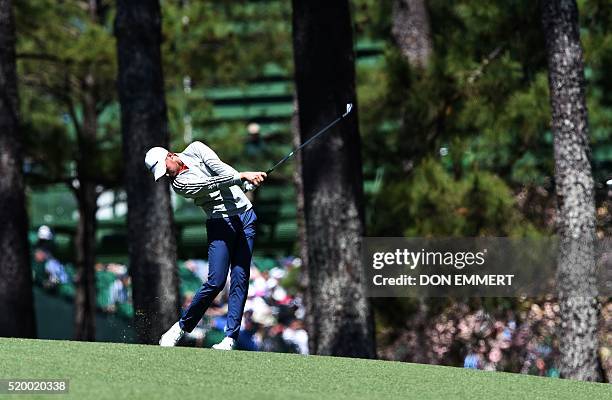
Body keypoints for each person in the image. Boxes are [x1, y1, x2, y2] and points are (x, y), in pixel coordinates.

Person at [145, 141, 267, 350]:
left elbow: (220, 168)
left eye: (165, 169)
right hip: (220, 222)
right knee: (216, 281)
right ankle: (181, 327)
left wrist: (243, 183)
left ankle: (230, 338)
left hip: (246, 216)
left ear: (171, 156)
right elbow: (209, 185)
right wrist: (240, 177)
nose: (166, 175)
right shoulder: (180, 186)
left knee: (240, 277)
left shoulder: (196, 149)